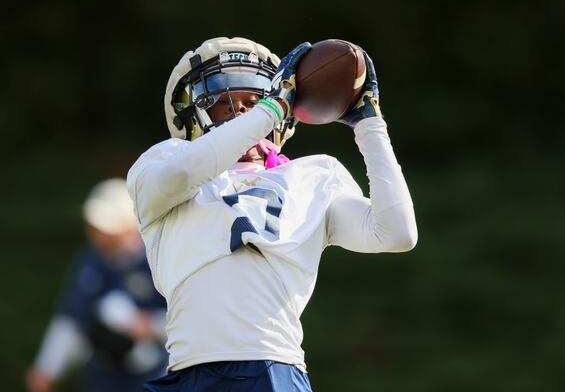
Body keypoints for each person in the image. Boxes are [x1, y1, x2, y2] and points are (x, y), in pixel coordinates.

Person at [127, 37, 418, 392]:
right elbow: (183, 173)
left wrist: (369, 125)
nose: (244, 115)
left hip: (272, 372)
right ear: (193, 116)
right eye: (223, 105)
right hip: (185, 373)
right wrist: (271, 107)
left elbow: (396, 233)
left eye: (253, 102)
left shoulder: (314, 176)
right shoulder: (165, 160)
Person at [26, 179, 168, 392]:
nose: (98, 233)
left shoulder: (159, 258)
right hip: (103, 379)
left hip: (154, 377)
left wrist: (150, 326)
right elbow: (73, 318)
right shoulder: (89, 261)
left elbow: (193, 318)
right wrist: (47, 368)